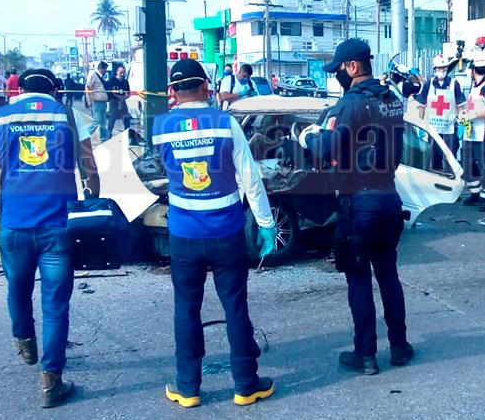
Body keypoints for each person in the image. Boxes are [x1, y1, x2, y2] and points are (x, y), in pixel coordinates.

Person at [153, 59, 277, 408]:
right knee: (235, 306)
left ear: (173, 91)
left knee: (186, 308)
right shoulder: (226, 123)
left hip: (183, 234)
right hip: (227, 232)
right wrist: (266, 224)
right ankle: (246, 385)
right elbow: (250, 177)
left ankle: (187, 387)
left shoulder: (160, 126)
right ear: (206, 87)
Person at [0, 68, 99, 409]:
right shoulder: (68, 116)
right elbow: (89, 167)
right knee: (55, 303)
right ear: (55, 90)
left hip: (14, 225)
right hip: (59, 225)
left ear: (20, 90)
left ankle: (25, 340)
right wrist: (91, 204)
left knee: (17, 287)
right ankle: (50, 380)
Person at [298, 38, 414, 376]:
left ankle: (365, 355)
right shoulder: (392, 100)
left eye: (338, 69)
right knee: (389, 275)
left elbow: (325, 150)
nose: (337, 76)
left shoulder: (348, 105)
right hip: (389, 197)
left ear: (352, 67)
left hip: (358, 203)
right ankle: (399, 346)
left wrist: (308, 137)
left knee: (359, 278)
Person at [460, 51, 485, 212]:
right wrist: (464, 114)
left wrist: (474, 115)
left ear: (473, 70)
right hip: (471, 132)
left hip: (484, 133)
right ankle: (475, 192)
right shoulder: (475, 86)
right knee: (467, 163)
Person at [415, 55, 466, 172]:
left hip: (450, 130)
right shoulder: (428, 84)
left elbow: (461, 106)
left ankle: (451, 180)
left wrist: (462, 123)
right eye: (439, 68)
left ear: (447, 68)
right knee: (434, 160)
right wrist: (420, 125)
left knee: (450, 160)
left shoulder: (454, 84)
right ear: (434, 69)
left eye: (444, 68)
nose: (441, 70)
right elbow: (421, 106)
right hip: (433, 130)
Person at [85, 61, 110, 141]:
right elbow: (88, 87)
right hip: (96, 102)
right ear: (101, 68)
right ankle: (84, 135)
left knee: (103, 122)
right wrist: (89, 100)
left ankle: (104, 138)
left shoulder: (101, 77)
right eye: (105, 69)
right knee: (96, 121)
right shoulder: (94, 75)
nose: (105, 71)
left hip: (103, 102)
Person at [106, 65, 131, 134]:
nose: (122, 74)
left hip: (122, 101)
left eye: (123, 73)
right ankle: (108, 134)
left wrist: (126, 96)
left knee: (126, 116)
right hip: (114, 101)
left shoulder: (125, 81)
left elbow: (128, 92)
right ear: (117, 72)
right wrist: (114, 93)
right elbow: (108, 90)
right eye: (121, 73)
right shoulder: (112, 80)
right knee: (112, 117)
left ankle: (127, 133)